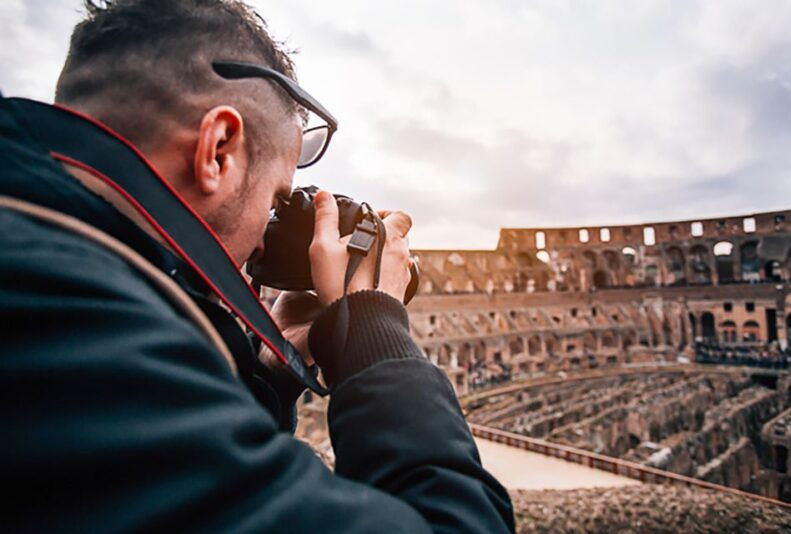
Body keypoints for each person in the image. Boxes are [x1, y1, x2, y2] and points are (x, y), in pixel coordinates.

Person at [0, 0, 514, 531]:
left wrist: (272, 372)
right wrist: (376, 334)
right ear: (218, 150)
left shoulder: (44, 273)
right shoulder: (73, 325)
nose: (266, 243)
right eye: (275, 202)